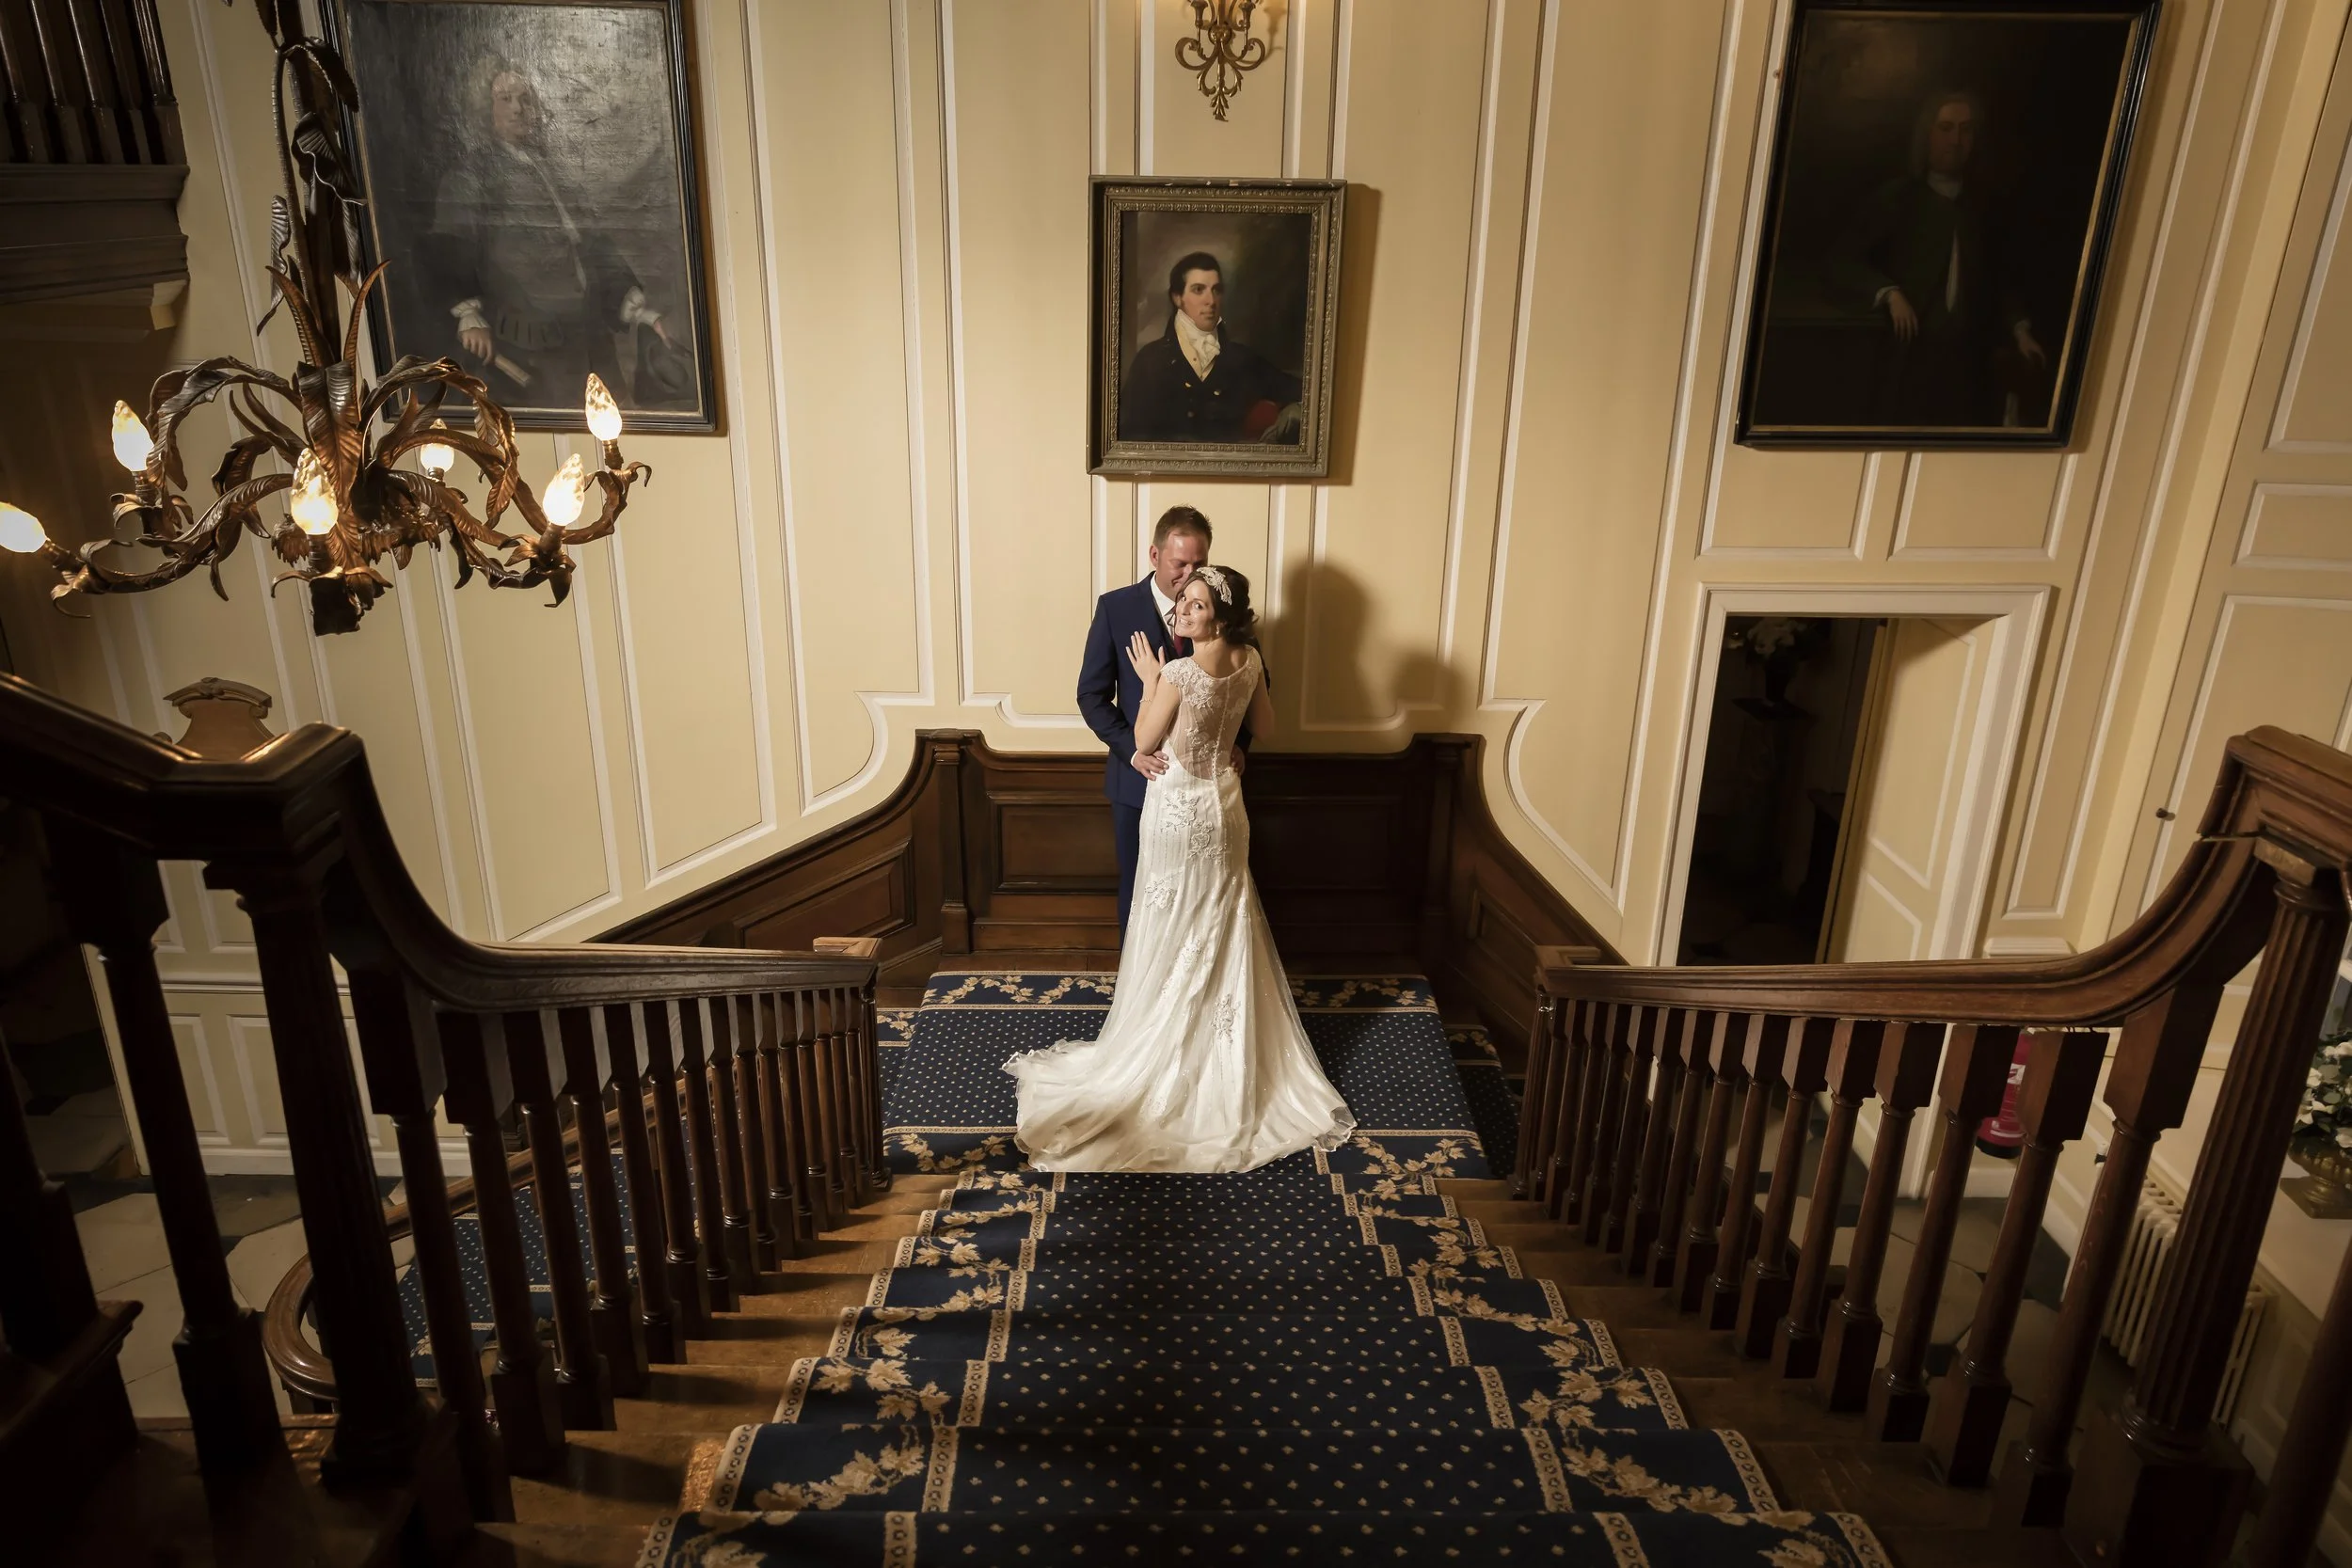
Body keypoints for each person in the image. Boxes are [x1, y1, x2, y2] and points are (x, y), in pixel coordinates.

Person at [1008, 564, 1355, 1172]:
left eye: (1194, 605)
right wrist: (1227, 728)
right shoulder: (1248, 658)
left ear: (1218, 614)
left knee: (1170, 921)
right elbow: (1265, 727)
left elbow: (1144, 741)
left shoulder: (1176, 670)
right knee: (1221, 922)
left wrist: (1148, 679)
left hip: (1175, 809)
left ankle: (1170, 1053)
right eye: (1182, 602)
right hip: (1224, 808)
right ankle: (1221, 1053)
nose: (1180, 611)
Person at [421, 59, 689, 408]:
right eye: (505, 99)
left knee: (619, 430)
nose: (518, 108)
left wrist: (638, 311)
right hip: (532, 345)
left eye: (525, 98)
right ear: (485, 110)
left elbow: (589, 245)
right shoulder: (470, 177)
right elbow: (450, 250)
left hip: (589, 336)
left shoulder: (552, 170)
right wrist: (468, 315)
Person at [1823, 88, 2048, 427]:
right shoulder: (1897, 199)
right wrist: (1889, 293)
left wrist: (2021, 331)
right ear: (1926, 134)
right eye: (1945, 128)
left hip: (1968, 367)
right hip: (1908, 363)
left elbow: (2002, 281)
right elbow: (1841, 261)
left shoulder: (1985, 206)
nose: (1956, 140)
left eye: (1966, 129)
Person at [1076, 506, 1252, 934]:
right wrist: (1132, 752)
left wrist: (1238, 743)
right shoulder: (1116, 608)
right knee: (1141, 892)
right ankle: (1138, 994)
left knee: (1206, 898)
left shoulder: (1224, 607)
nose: (1190, 573)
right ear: (1155, 555)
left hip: (1209, 792)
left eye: (1199, 563)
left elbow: (1250, 682)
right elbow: (1091, 695)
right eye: (1180, 563)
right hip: (1139, 783)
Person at [1119, 251, 1305, 443]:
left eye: (1216, 290)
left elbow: (1307, 391)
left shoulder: (1243, 360)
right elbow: (1127, 437)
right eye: (1199, 290)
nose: (1211, 300)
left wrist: (1295, 409)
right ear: (1177, 298)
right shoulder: (1150, 361)